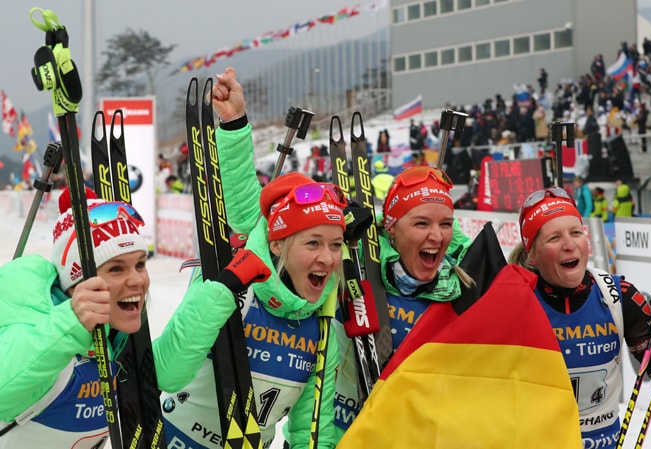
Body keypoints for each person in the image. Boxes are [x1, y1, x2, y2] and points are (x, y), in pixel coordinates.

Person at [159, 67, 346, 449]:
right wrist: (222, 289)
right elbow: (167, 370)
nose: (327, 258)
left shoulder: (323, 318)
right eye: (312, 244)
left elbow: (314, 426)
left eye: (336, 244)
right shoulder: (233, 277)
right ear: (277, 245)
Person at [0, 187, 270, 448]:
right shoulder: (40, 323)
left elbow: (163, 372)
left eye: (140, 264)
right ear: (77, 281)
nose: (137, 280)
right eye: (116, 268)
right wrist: (72, 321)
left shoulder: (112, 335)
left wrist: (223, 289)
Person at [513, 187, 651, 448]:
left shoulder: (619, 296)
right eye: (554, 238)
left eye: (576, 233)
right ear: (533, 255)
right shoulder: (514, 301)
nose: (570, 245)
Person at [334, 165, 475, 435]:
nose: (436, 235)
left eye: (445, 224)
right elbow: (271, 235)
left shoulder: (462, 288)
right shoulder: (348, 262)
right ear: (391, 230)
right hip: (337, 436)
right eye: (421, 223)